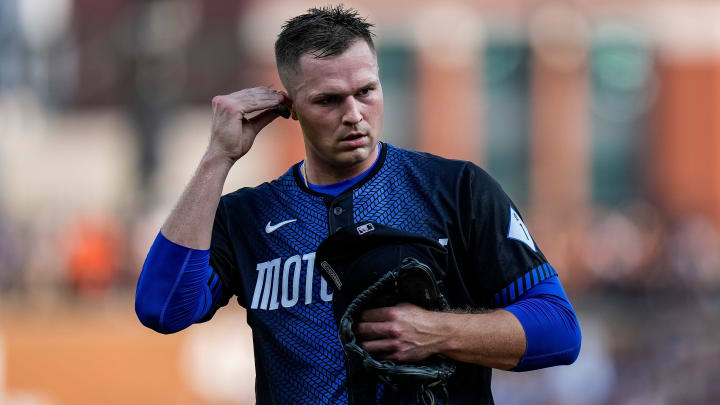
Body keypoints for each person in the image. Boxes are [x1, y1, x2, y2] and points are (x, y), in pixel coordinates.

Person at [135, 5, 581, 404]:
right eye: (328, 100)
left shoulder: (455, 188)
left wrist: (436, 331)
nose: (353, 113)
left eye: (365, 91)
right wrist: (218, 157)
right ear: (290, 106)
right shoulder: (249, 216)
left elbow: (559, 330)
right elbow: (163, 308)